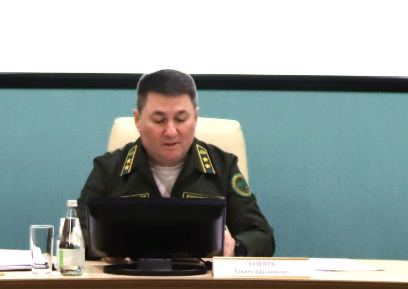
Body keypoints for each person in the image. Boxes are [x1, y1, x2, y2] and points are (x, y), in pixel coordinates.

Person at [80, 68, 274, 257]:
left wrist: (236, 248)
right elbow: (78, 233)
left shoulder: (223, 167)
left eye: (181, 119)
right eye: (159, 120)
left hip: (201, 278)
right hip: (129, 277)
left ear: (195, 118)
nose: (171, 131)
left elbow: (261, 235)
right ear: (137, 120)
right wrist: (105, 246)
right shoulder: (109, 168)